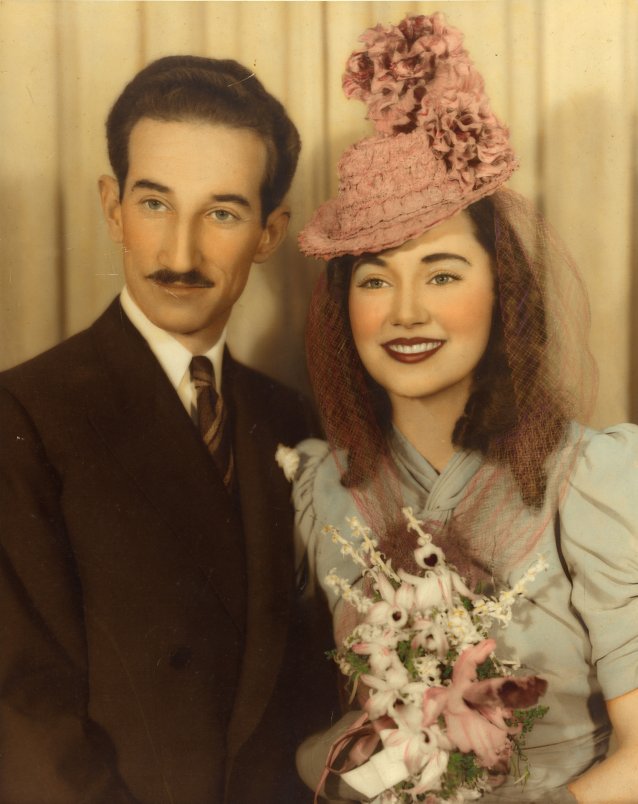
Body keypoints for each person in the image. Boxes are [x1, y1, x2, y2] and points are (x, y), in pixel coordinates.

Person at [287, 13, 638, 803]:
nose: (406, 311)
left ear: (500, 291)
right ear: (346, 306)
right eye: (375, 280)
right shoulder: (323, 488)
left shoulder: (593, 480)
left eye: (442, 274)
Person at [0, 55, 336, 803]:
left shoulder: (291, 418)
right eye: (155, 204)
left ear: (269, 232)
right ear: (112, 206)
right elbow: (22, 709)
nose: (180, 254)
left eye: (222, 213)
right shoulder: (24, 415)